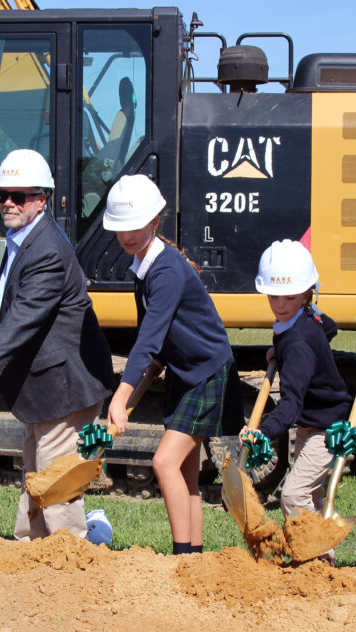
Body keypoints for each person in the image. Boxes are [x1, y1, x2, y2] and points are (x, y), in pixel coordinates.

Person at [0, 149, 113, 541]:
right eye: (2, 195)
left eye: (19, 196)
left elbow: (25, 315)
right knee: (36, 471)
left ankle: (70, 559)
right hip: (44, 385)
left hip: (63, 385)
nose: (8, 202)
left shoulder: (45, 250)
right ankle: (29, 551)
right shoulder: (23, 238)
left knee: (56, 482)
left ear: (41, 199)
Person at [102, 174, 242, 555]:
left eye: (135, 226)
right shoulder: (144, 266)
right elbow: (157, 340)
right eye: (120, 229)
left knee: (164, 462)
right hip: (185, 370)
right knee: (185, 473)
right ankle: (192, 557)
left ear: (155, 221)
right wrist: (151, 369)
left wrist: (121, 396)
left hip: (207, 373)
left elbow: (149, 337)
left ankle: (182, 557)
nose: (127, 235)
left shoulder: (164, 270)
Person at [242, 240, 351, 541]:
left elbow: (290, 405)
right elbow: (328, 327)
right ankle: (320, 562)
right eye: (273, 296)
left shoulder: (299, 344)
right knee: (310, 499)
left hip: (326, 428)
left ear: (307, 293)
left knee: (292, 496)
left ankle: (313, 555)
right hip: (312, 422)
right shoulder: (305, 318)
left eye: (289, 297)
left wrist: (262, 432)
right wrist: (280, 350)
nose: (279, 305)